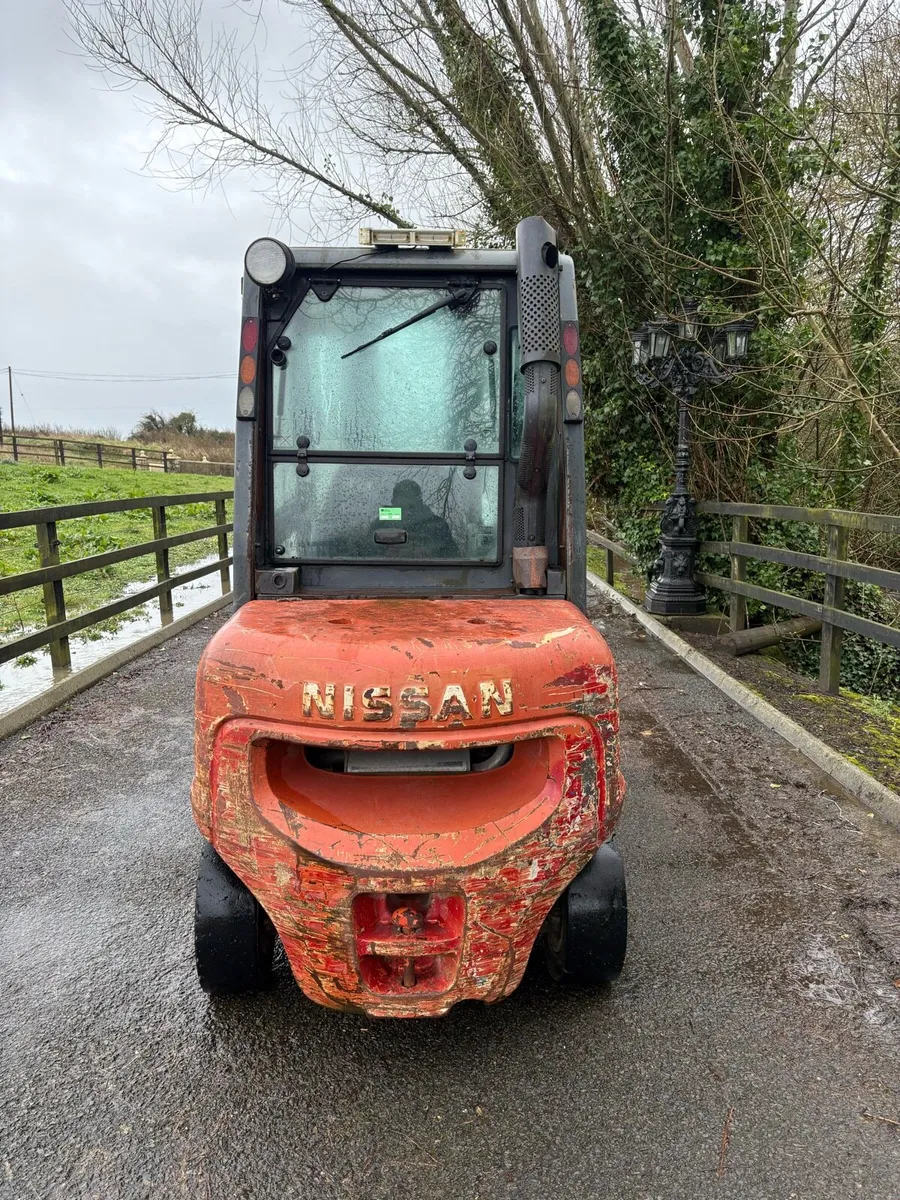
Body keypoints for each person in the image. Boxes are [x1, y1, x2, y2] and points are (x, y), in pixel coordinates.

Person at [369, 479, 458, 557]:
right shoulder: (379, 526)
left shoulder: (438, 526)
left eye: (412, 507)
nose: (407, 512)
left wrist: (427, 554)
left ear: (420, 503)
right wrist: (384, 554)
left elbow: (454, 560)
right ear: (393, 503)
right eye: (401, 508)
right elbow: (363, 555)